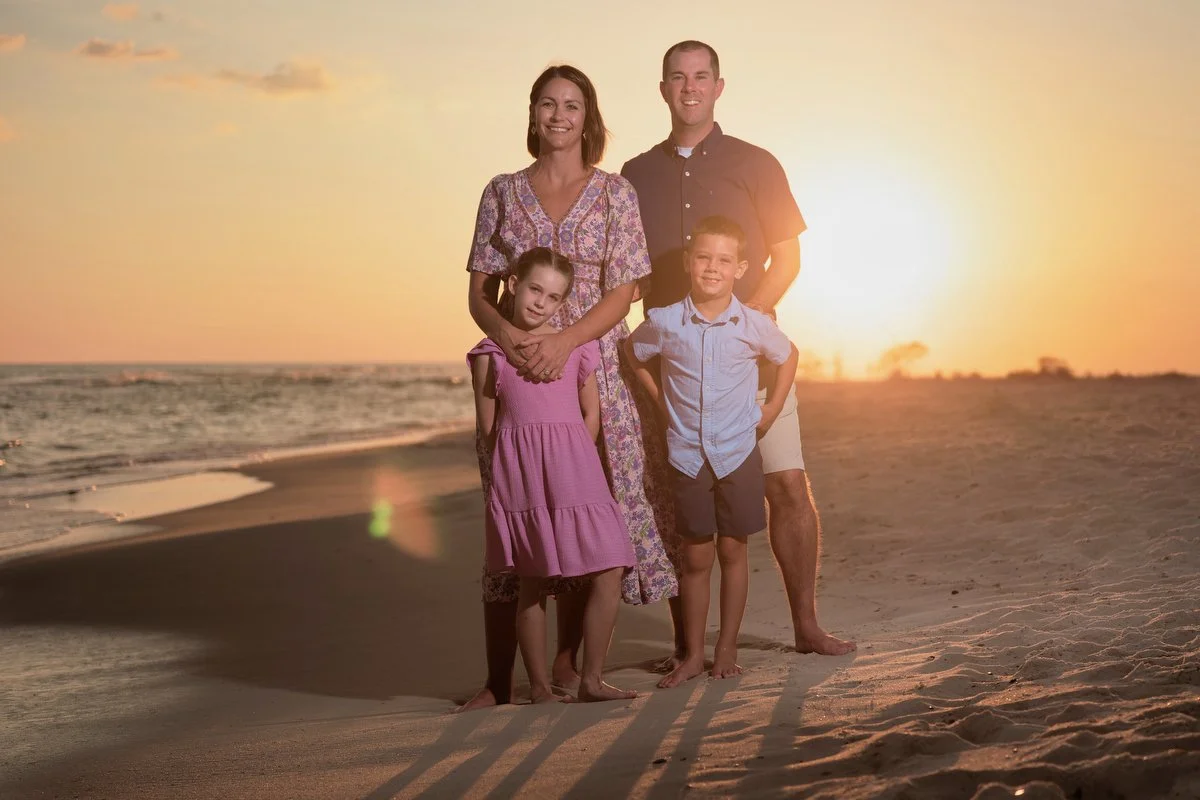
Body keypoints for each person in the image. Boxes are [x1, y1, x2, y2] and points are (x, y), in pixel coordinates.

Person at [621, 40, 856, 658]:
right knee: (683, 496)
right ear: (663, 88)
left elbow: (790, 257)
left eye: (702, 77)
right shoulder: (634, 175)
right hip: (674, 369)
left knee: (785, 482)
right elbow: (626, 277)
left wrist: (740, 325)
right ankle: (689, 644)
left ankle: (806, 627)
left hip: (751, 358)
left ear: (719, 87)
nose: (690, 87)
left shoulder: (757, 163)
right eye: (678, 77)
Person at [461, 64, 678, 710]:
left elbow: (625, 291)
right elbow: (478, 294)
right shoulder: (500, 191)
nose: (559, 115)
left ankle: (570, 666)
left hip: (595, 374)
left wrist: (566, 342)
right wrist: (514, 343)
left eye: (573, 105)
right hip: (515, 376)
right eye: (548, 104)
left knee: (591, 513)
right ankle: (500, 681)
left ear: (590, 118)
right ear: (532, 114)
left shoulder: (613, 196)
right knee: (513, 517)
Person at [625, 216, 800, 687]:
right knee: (695, 558)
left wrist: (774, 406)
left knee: (733, 551)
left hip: (738, 450)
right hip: (686, 455)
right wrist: (659, 400)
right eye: (703, 257)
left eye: (724, 260)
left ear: (741, 268)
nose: (711, 268)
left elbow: (789, 356)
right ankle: (691, 656)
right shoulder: (663, 322)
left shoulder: (752, 324)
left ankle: (726, 650)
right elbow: (631, 353)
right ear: (688, 262)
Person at [470, 247, 639, 703]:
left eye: (554, 296)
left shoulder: (578, 347)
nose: (541, 302)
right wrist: (518, 468)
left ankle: (591, 678)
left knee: (612, 564)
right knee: (532, 581)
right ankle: (541, 687)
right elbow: (488, 427)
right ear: (513, 285)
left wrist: (575, 455)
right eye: (535, 289)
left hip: (576, 472)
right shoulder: (490, 355)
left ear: (563, 304)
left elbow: (591, 412)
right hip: (523, 476)